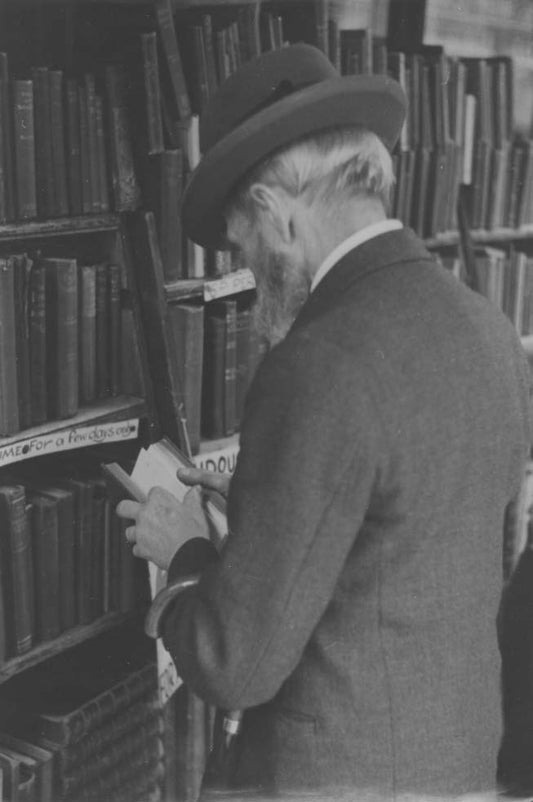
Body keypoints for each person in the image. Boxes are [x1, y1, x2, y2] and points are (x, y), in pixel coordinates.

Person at [117, 44, 532, 799]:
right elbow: (411, 535)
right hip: (459, 767)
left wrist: (184, 555)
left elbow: (235, 663)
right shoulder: (488, 330)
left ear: (277, 214)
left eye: (243, 240)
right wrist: (266, 505)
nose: (248, 270)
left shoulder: (314, 365)